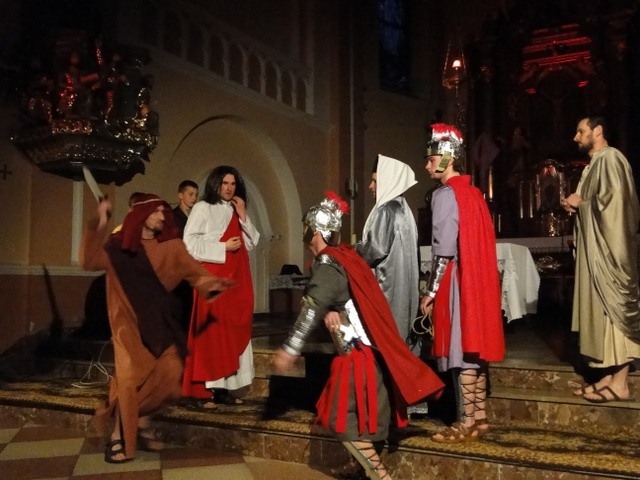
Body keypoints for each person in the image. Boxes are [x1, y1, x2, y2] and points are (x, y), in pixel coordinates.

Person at [274, 192, 444, 480]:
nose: (303, 232)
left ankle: (380, 475)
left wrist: (291, 348)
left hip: (358, 358)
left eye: (306, 227)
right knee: (361, 421)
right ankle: (360, 467)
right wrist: (332, 309)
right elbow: (340, 298)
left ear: (315, 231)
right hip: (370, 355)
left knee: (340, 418)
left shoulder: (328, 264)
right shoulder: (344, 256)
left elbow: (312, 307)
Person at [80, 194, 233, 464]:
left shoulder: (171, 247)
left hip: (158, 326)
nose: (163, 216)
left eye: (164, 211)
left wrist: (212, 283)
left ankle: (133, 419)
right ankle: (121, 438)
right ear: (142, 215)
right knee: (128, 381)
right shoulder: (119, 248)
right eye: (157, 212)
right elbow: (88, 261)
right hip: (127, 328)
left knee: (171, 379)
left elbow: (194, 271)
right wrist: (100, 221)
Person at [420, 123, 505, 443]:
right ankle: (479, 418)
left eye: (431, 159)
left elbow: (443, 250)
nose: (427, 165)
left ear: (447, 159)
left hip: (457, 280)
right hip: (477, 281)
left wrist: (430, 291)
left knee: (460, 349)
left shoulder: (445, 195)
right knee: (474, 349)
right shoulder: (473, 192)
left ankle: (465, 420)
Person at [563, 115, 640, 403]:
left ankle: (621, 383)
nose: (576, 137)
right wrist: (577, 206)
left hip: (610, 255)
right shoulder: (595, 164)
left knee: (613, 311)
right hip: (597, 252)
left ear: (598, 131)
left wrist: (581, 204)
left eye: (580, 131)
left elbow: (615, 205)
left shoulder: (611, 159)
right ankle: (609, 375)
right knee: (601, 313)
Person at [182, 166, 260, 408]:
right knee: (213, 335)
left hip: (236, 280)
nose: (229, 188)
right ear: (215, 184)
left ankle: (225, 388)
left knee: (232, 330)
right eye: (225, 183)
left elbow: (252, 243)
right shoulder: (203, 207)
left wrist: (243, 214)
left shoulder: (235, 209)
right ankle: (203, 391)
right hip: (213, 279)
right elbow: (188, 243)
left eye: (233, 184)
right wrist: (222, 247)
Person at [356, 154, 419, 344]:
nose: (371, 186)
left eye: (375, 181)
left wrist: (351, 252)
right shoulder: (404, 208)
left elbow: (374, 250)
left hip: (387, 288)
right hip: (403, 287)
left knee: (386, 339)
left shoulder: (386, 210)